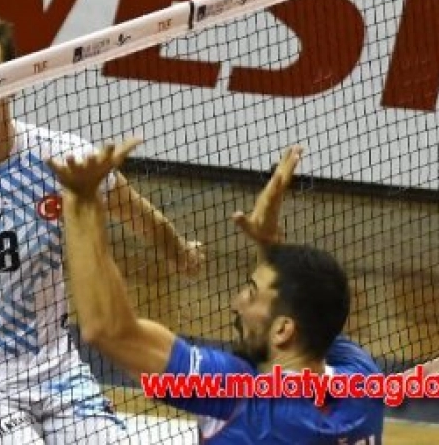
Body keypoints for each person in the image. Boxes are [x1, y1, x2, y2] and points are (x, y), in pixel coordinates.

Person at [0, 19, 204, 444]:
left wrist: (179, 252)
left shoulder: (62, 159)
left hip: (57, 372)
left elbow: (134, 211)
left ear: (13, 80)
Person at [53, 142, 385, 443]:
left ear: (283, 329)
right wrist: (269, 246)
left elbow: (109, 331)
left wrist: (82, 202)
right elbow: (312, 310)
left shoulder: (238, 395)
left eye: (251, 294)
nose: (236, 302)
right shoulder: (364, 384)